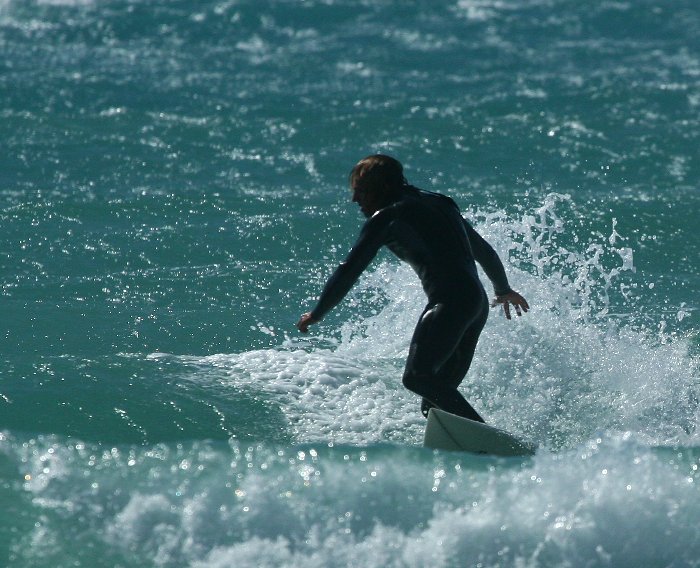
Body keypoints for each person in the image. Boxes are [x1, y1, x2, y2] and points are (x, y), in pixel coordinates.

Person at [296, 154, 529, 422]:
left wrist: (318, 313)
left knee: (417, 377)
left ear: (381, 187)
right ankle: (472, 451)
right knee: (434, 404)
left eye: (360, 192)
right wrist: (502, 290)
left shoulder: (388, 217)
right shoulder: (442, 204)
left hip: (450, 305)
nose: (354, 200)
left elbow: (349, 269)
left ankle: (492, 440)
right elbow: (484, 251)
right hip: (475, 305)